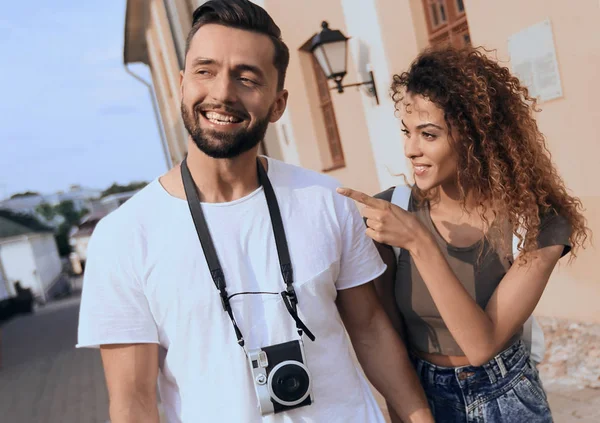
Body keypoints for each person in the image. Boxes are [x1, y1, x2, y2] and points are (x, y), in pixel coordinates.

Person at [77, 1, 433, 422]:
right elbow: (133, 401)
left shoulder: (326, 199)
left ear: (278, 104)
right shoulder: (123, 237)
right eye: (204, 71)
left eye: (247, 78)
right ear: (181, 84)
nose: (222, 92)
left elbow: (371, 329)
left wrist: (418, 417)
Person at [337, 46, 589, 422]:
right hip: (423, 397)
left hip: (507, 396)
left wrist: (420, 243)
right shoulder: (392, 213)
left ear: (476, 138)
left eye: (429, 134)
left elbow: (481, 344)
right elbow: (386, 336)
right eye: (407, 132)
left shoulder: (538, 222)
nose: (410, 149)